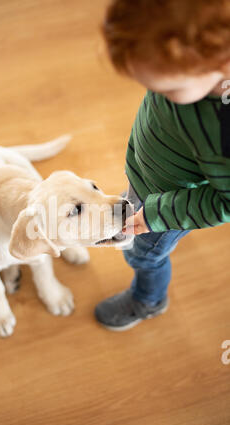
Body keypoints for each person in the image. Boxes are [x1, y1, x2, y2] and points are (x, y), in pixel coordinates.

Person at [95, 0, 230, 331]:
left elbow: (225, 202)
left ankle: (148, 301)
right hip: (150, 172)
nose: (156, 94)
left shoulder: (223, 131)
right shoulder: (189, 65)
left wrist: (159, 216)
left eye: (167, 90)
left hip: (166, 206)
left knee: (143, 255)